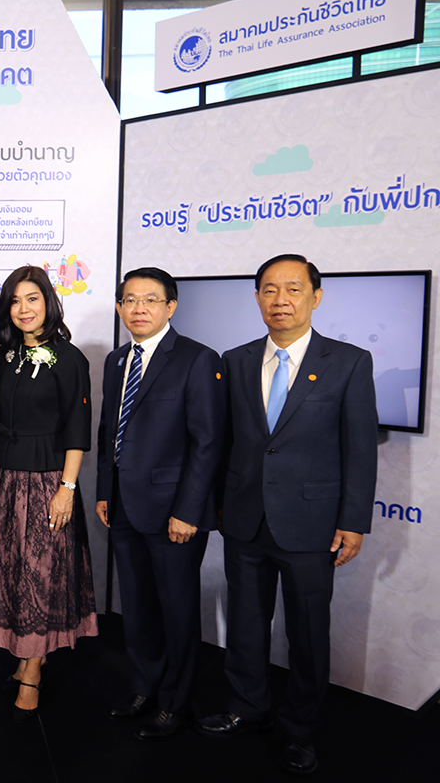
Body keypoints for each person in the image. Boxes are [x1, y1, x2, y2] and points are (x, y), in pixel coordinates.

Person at [197, 255, 378, 776]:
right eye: (269, 290)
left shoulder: (349, 362)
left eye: (293, 289)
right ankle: (247, 707)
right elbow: (225, 441)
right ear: (257, 297)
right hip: (244, 519)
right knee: (246, 624)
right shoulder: (235, 360)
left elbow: (360, 449)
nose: (281, 300)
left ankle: (300, 729)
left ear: (315, 297)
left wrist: (353, 521)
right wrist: (217, 506)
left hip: (311, 525)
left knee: (308, 633)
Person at [95, 267, 225, 740]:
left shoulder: (197, 358)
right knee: (137, 607)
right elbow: (109, 430)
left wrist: (189, 511)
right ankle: (144, 688)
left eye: (150, 299)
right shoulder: (116, 360)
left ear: (171, 306)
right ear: (119, 307)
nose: (139, 308)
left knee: (176, 610)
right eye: (130, 300)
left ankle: (176, 702)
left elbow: (208, 443)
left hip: (174, 512)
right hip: (124, 505)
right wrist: (105, 491)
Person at [0, 265, 96, 721]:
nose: (24, 309)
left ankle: (34, 670)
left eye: (32, 299)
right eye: (15, 301)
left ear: (49, 303)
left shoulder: (69, 358)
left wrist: (66, 488)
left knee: (41, 577)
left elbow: (77, 430)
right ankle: (25, 656)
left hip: (47, 482)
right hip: (2, 479)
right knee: (11, 575)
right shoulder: (4, 355)